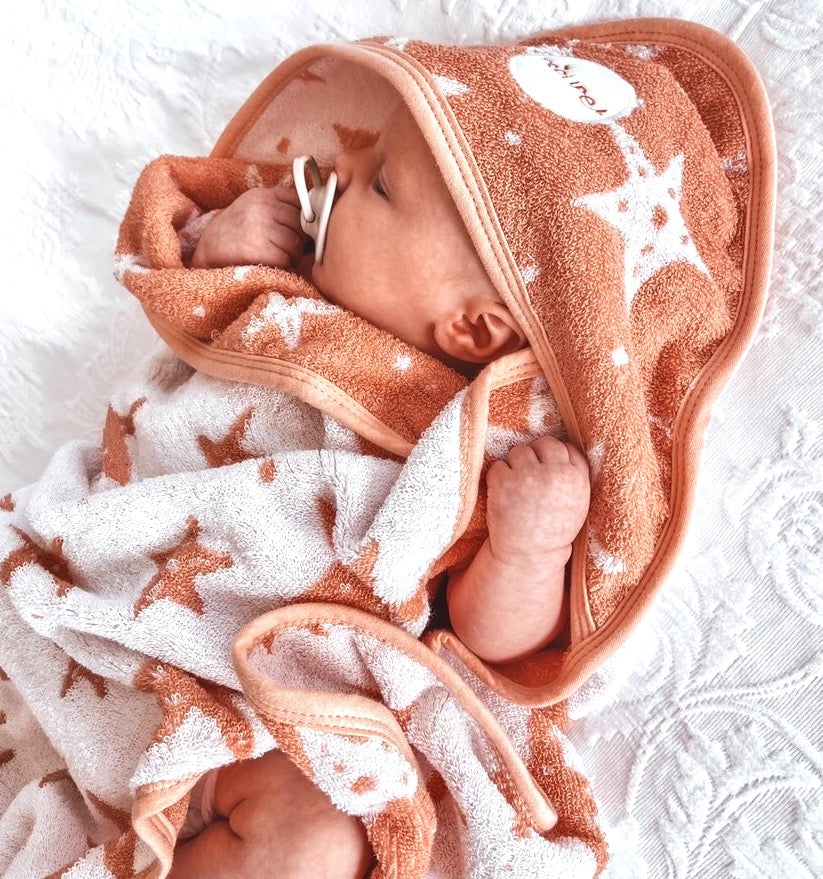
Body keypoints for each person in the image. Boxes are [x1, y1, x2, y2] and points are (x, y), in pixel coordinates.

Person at [167, 100, 590, 879]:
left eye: (382, 185)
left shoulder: (474, 433)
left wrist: (528, 550)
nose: (341, 164)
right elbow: (179, 319)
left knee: (312, 842)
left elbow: (487, 642)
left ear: (471, 329)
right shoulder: (281, 294)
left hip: (275, 706)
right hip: (137, 615)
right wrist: (213, 251)